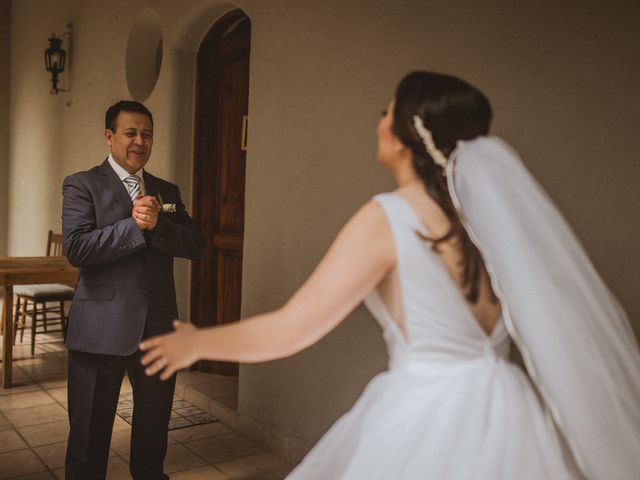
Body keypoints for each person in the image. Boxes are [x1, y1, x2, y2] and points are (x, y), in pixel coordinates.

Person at [139, 72, 640, 479]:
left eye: (386, 111)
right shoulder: (489, 225)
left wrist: (198, 344)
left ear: (405, 136)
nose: (379, 121)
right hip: (510, 410)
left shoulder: (389, 216)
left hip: (428, 415)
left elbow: (296, 326)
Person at [62, 100, 203, 479]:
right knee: (89, 439)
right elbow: (76, 249)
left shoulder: (166, 190)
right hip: (99, 331)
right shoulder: (82, 184)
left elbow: (195, 246)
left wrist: (159, 225)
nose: (139, 141)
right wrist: (134, 227)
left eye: (146, 133)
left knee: (153, 437)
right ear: (109, 137)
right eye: (130, 132)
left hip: (158, 331)